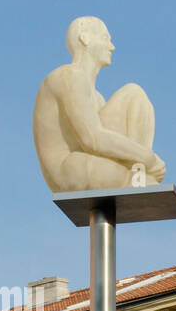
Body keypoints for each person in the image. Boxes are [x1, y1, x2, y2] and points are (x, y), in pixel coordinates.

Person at [33, 16, 165, 193]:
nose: (112, 47)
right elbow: (92, 139)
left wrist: (144, 158)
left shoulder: (98, 99)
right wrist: (147, 157)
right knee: (133, 91)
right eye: (105, 38)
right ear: (85, 38)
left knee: (135, 96)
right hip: (71, 170)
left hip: (90, 161)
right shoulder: (69, 76)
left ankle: (137, 171)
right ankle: (136, 174)